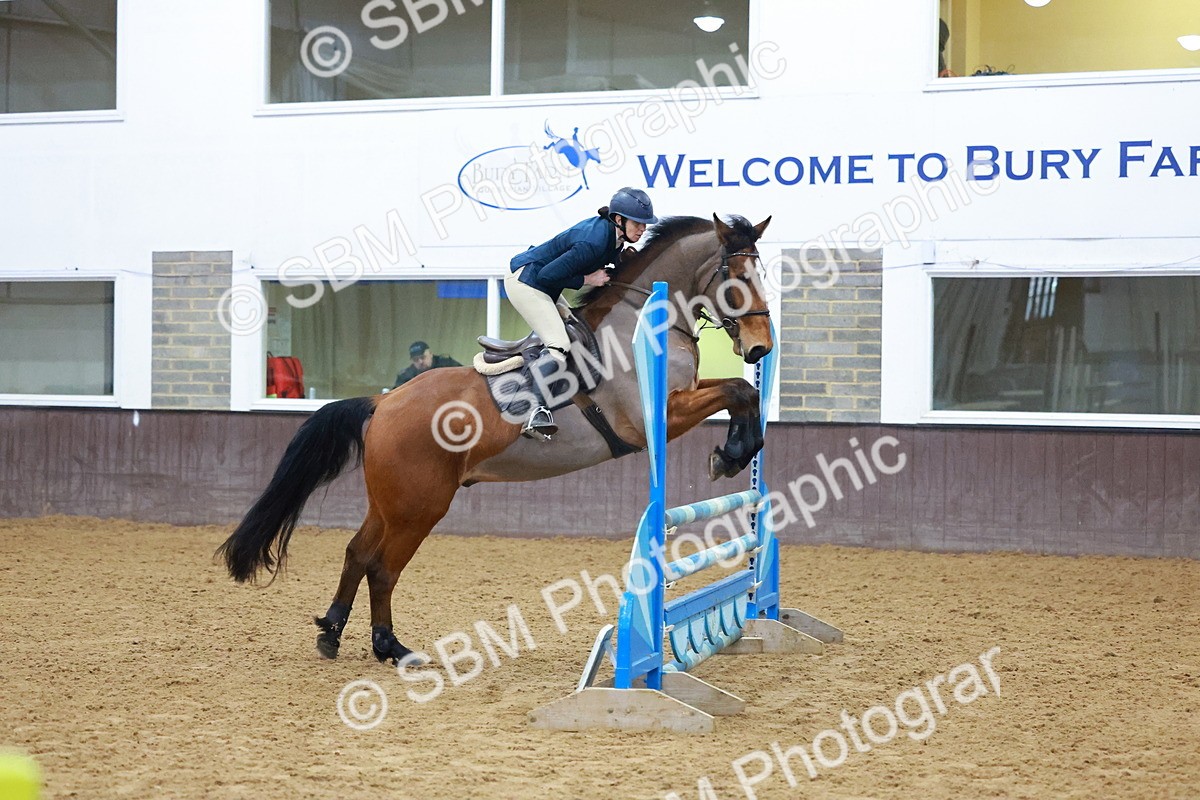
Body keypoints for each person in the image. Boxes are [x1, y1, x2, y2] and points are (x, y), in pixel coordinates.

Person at [504, 187, 658, 439]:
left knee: (578, 328)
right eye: (638, 223)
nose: (642, 229)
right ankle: (534, 411)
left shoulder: (613, 237)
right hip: (526, 281)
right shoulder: (593, 241)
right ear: (619, 220)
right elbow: (547, 276)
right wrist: (588, 278)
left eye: (645, 225)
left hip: (541, 284)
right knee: (558, 344)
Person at [392, 341, 461, 388]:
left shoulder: (447, 364)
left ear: (431, 354)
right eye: (415, 360)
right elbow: (395, 395)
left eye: (423, 357)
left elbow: (465, 376)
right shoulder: (406, 376)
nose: (420, 361)